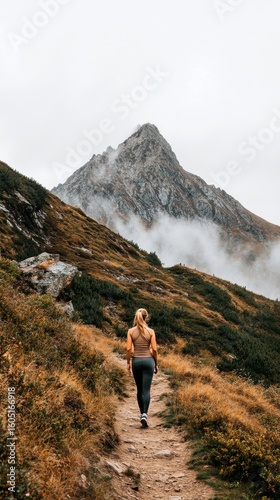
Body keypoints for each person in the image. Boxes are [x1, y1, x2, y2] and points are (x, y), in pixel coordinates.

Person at [126, 308, 158, 428]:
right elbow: (154, 349)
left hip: (136, 361)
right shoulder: (151, 331)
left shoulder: (130, 331)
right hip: (149, 361)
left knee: (139, 389)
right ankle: (145, 414)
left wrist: (128, 363)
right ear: (146, 317)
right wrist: (156, 363)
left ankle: (141, 414)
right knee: (146, 390)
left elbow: (128, 349)